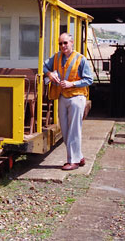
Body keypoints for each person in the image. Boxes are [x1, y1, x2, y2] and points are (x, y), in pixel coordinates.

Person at [43, 33, 93, 171]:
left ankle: (73, 161)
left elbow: (89, 79)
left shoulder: (81, 59)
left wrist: (72, 84)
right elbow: (43, 65)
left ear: (72, 42)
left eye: (65, 43)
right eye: (60, 43)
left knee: (74, 130)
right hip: (62, 97)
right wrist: (49, 74)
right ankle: (79, 157)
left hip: (77, 97)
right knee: (65, 130)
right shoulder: (57, 57)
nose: (63, 46)